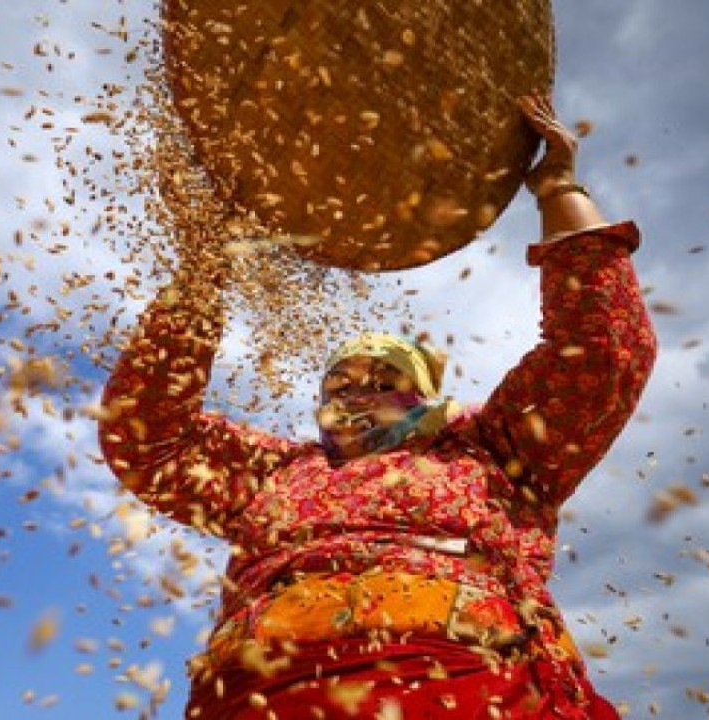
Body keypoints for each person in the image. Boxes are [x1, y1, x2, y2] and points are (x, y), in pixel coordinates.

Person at [99, 91, 657, 719]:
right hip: (266, 695)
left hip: (468, 686)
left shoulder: (495, 449)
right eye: (339, 380)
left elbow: (602, 351)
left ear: (422, 393)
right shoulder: (279, 473)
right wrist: (205, 270)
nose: (353, 391)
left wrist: (558, 187)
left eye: (381, 378)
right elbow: (147, 439)